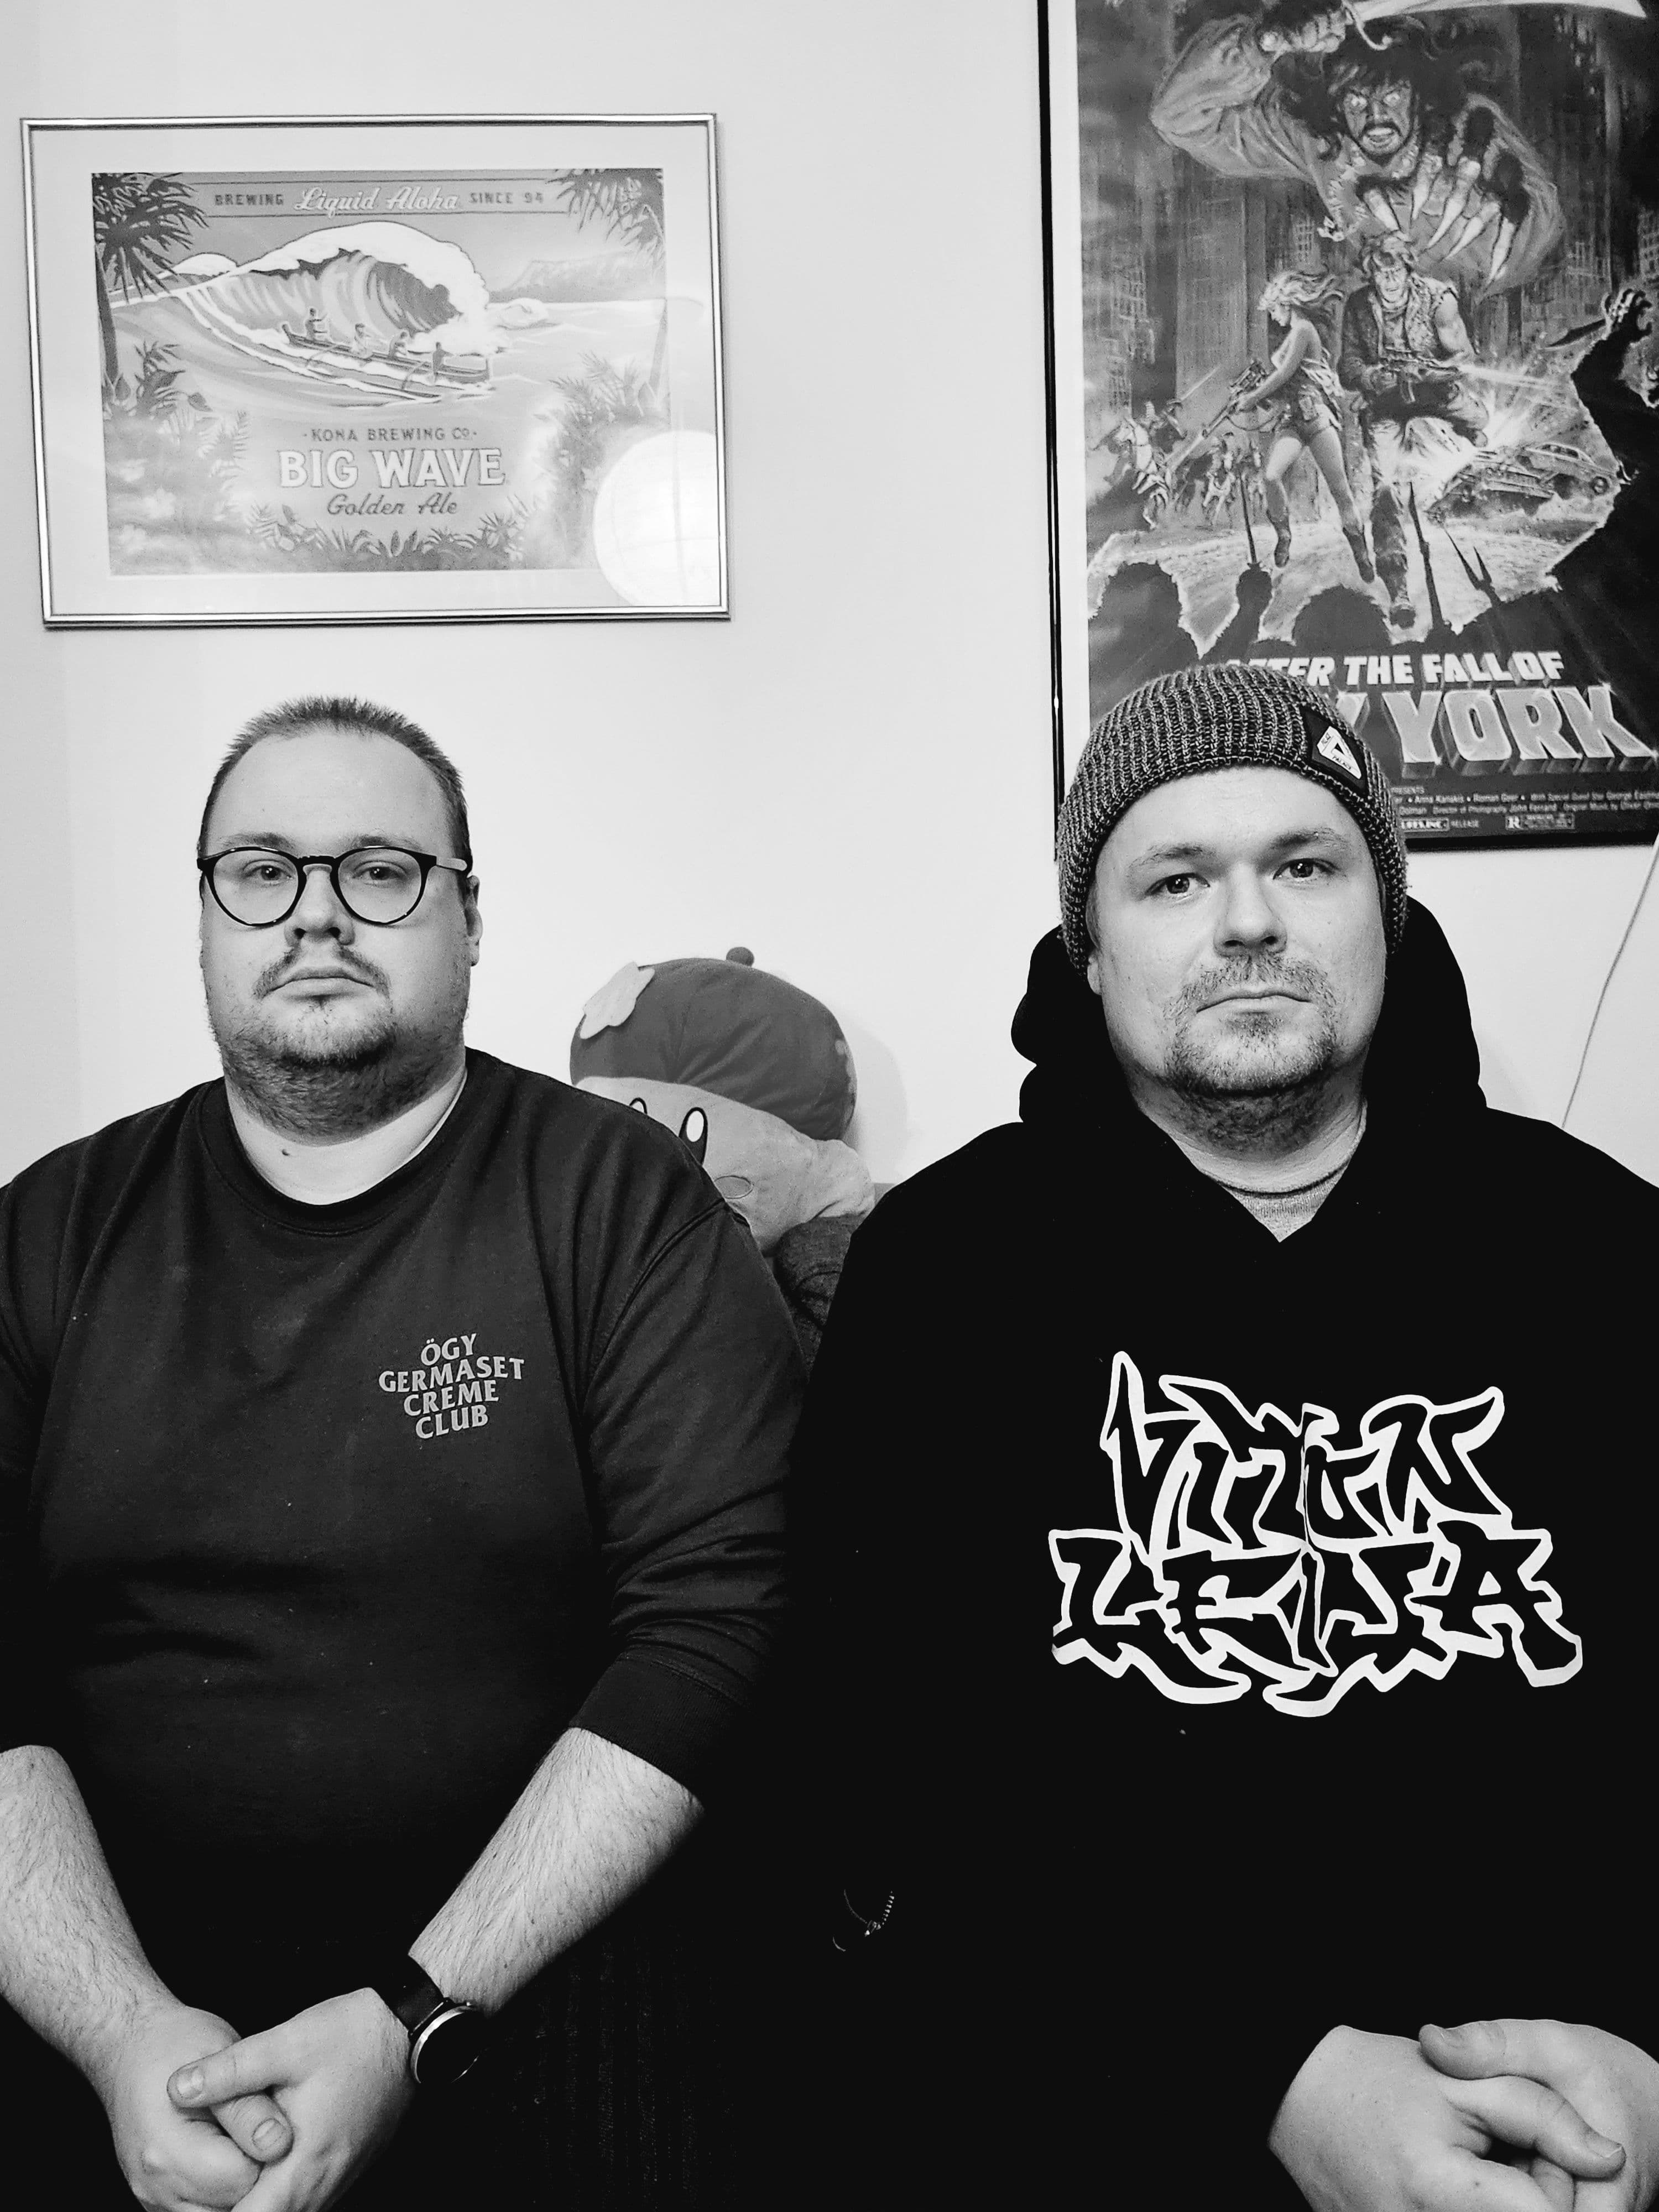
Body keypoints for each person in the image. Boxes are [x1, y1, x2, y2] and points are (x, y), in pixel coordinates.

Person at [794, 661, 1659, 2208]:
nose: (1247, 921)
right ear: (1091, 947)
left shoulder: (1601, 1248)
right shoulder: (947, 1269)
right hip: (1094, 2126)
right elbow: (890, 1767)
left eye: (1305, 865)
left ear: (1385, 917)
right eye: (1176, 878)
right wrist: (1274, 2073)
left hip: (1569, 2132)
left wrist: (1648, 2071)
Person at [0, 696, 801, 2210]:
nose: (315, 914)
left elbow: (720, 1623)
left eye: (379, 870)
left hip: (543, 1985)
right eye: (261, 872)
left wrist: (415, 2014)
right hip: (116, 1994)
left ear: (468, 918)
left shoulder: (620, 1204)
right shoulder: (49, 1231)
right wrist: (118, 2035)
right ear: (204, 918)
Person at [1150, 1, 1561, 297]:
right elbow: (1177, 117)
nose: (1376, 119)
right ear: (1335, 103)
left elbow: (1538, 225)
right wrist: (1262, 43)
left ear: (1419, 97)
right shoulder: (1316, 140)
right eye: (1356, 102)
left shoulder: (1469, 124)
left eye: (1393, 98)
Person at [1339, 233, 1486, 629]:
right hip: (1386, 403)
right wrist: (1373, 377)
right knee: (1386, 488)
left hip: (1435, 392)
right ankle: (1398, 589)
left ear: (1408, 269)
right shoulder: (1358, 305)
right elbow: (1348, 365)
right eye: (1380, 272)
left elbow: (1464, 358)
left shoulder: (1439, 299)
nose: (1389, 280)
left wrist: (1429, 372)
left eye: (1396, 271)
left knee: (1478, 423)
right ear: (1371, 273)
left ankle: (1468, 435)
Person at [1241, 267, 1372, 579]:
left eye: (1275, 310)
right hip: (1292, 420)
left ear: (1287, 304)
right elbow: (1284, 383)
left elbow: (1284, 374)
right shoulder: (1294, 334)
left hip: (1316, 417)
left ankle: (1361, 553)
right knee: (1271, 476)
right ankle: (1284, 535)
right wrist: (1256, 396)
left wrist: (1253, 396)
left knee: (1340, 489)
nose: (1274, 317)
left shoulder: (1304, 330)